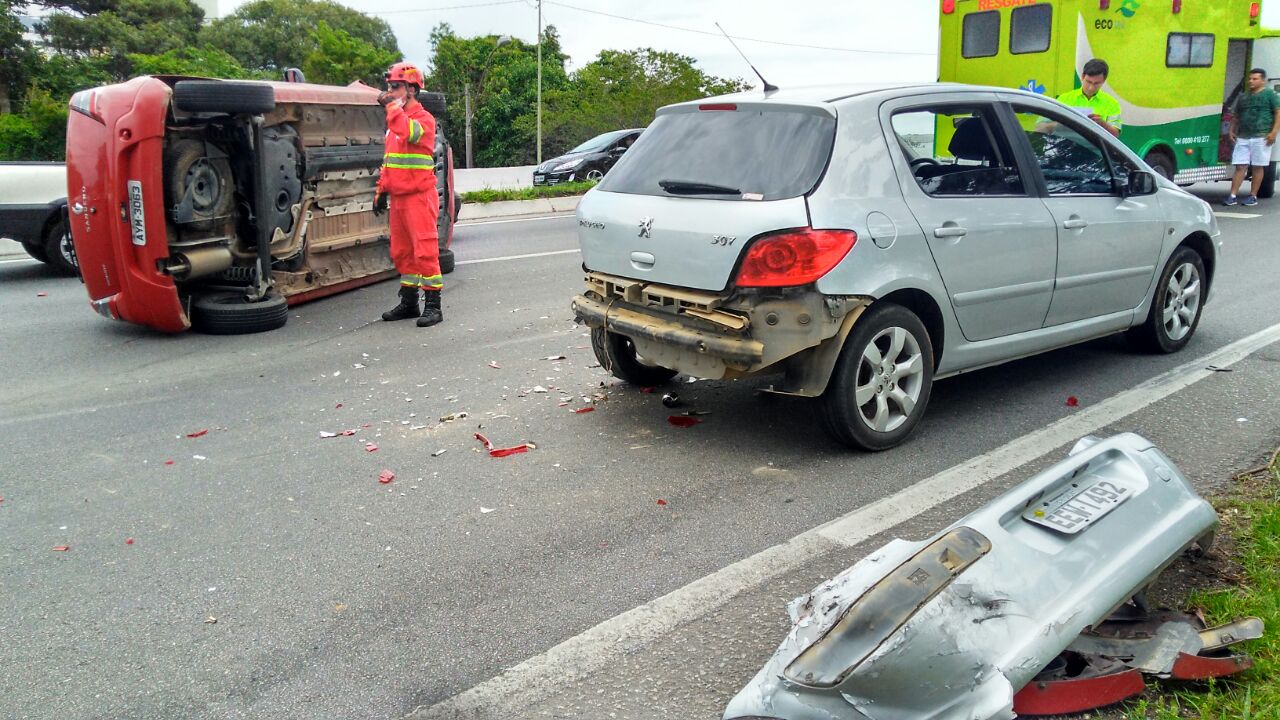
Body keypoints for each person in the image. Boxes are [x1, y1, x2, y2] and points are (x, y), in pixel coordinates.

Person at [373, 62, 444, 328]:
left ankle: (434, 306)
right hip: (400, 198)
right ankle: (410, 302)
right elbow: (390, 160)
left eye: (396, 86)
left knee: (424, 251)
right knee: (403, 252)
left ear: (412, 89)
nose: (390, 91)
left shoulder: (422, 119)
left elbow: (409, 132)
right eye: (389, 86)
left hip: (419, 196)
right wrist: (381, 189)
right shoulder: (394, 122)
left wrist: (391, 106)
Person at [1224, 68, 1280, 207]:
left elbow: (1278, 113)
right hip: (1243, 136)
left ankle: (1253, 195)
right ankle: (1232, 195)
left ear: (1263, 80)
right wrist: (1231, 130)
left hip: (1262, 135)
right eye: (1250, 79)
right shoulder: (1244, 96)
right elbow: (1236, 116)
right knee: (1240, 165)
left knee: (1257, 166)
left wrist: (1273, 132)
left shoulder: (1270, 95)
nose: (1251, 81)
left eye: (1255, 79)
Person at [1055, 58, 1122, 138]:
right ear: (1082, 76)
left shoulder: (1112, 103)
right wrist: (1063, 123)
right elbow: (1041, 127)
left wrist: (1102, 123)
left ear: (1104, 81)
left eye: (1096, 83)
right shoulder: (1064, 99)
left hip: (1095, 149)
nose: (1091, 87)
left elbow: (1115, 135)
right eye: (1089, 82)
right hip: (1067, 147)